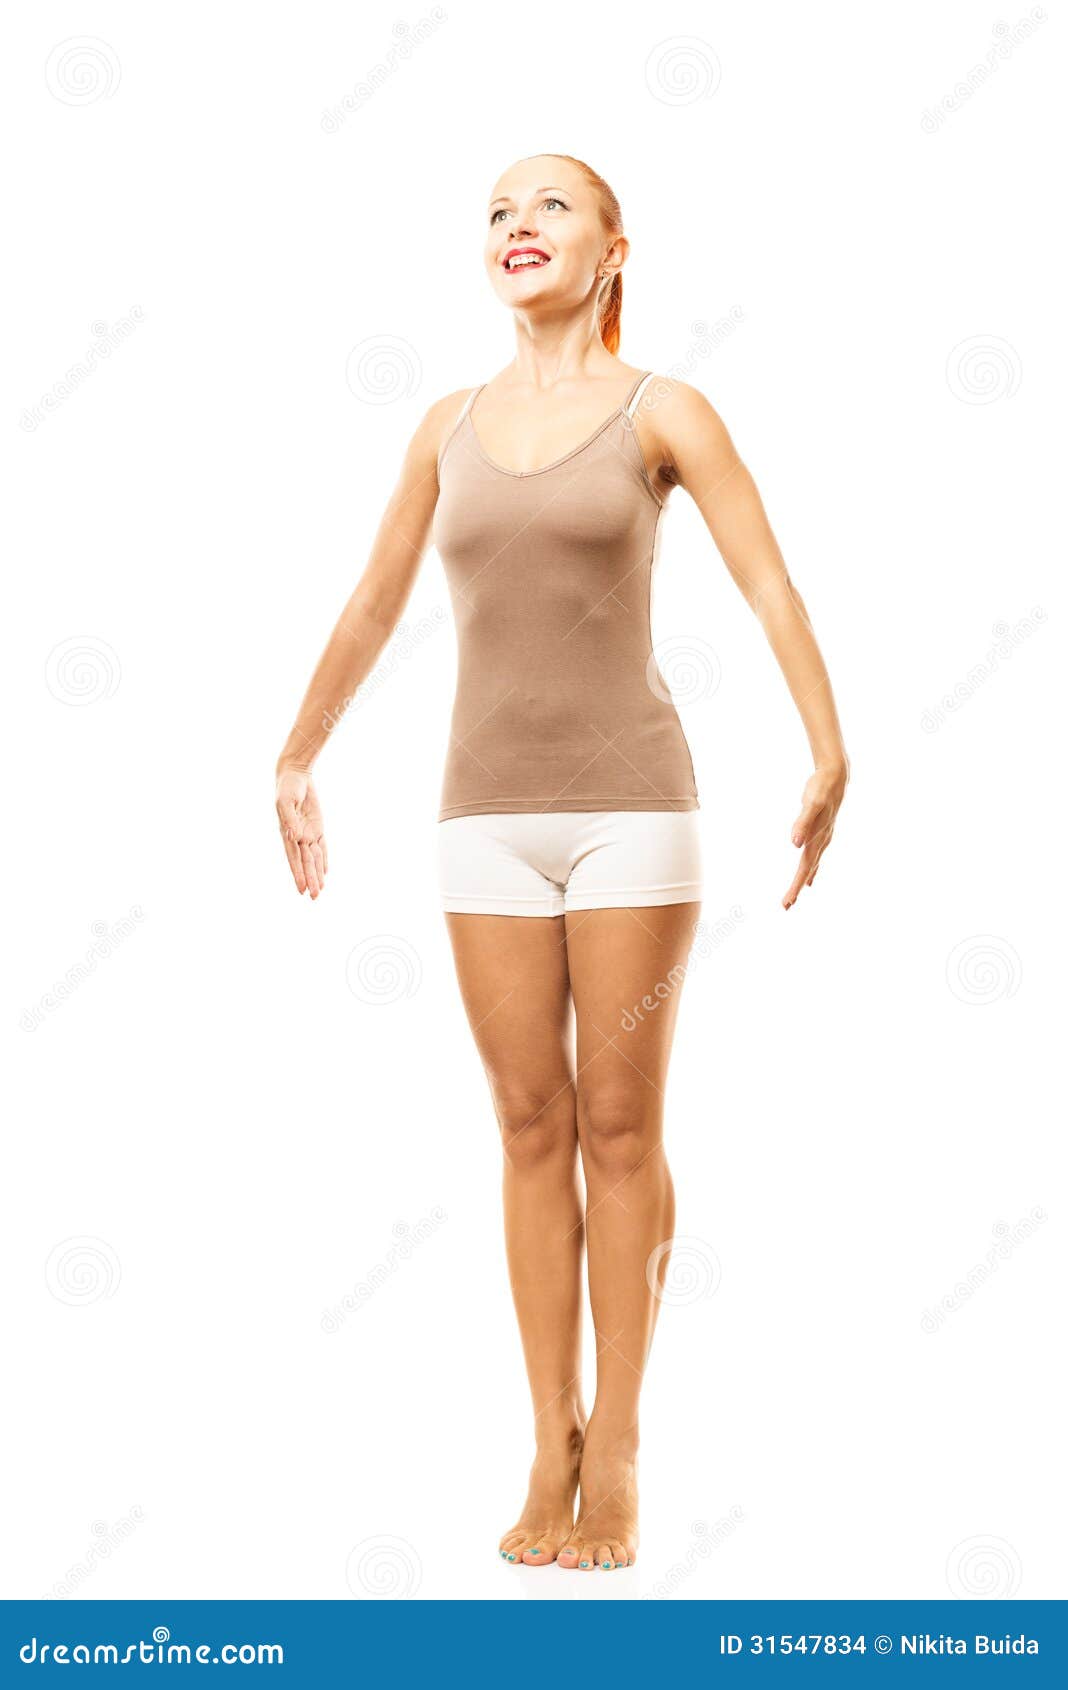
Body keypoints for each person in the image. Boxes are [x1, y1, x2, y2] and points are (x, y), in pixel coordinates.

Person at [275, 153, 849, 1573]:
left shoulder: (667, 410)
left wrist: (828, 746)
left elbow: (769, 580)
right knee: (529, 1124)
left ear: (614, 249)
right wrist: (297, 755)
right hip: (484, 817)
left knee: (619, 1125)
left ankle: (625, 1442)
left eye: (549, 205)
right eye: (496, 210)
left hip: (631, 812)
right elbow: (373, 601)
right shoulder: (445, 427)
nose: (515, 224)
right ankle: (552, 1433)